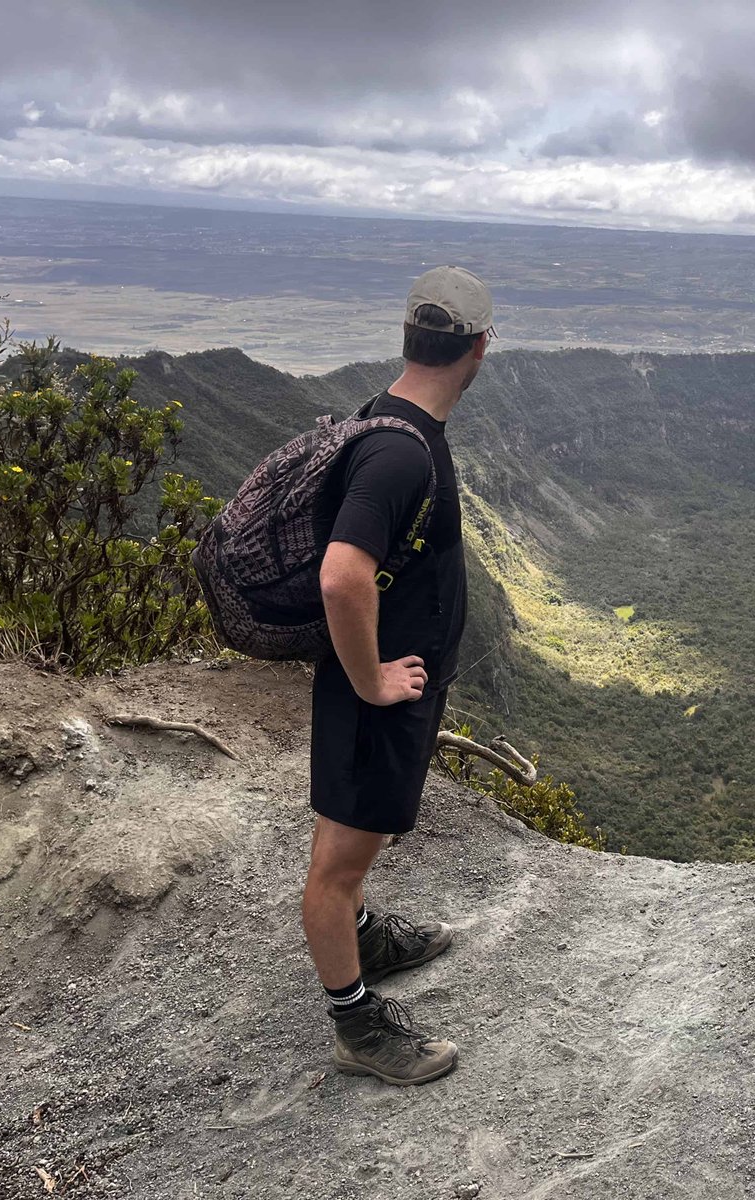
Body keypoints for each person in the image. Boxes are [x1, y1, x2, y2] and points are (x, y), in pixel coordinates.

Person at [302, 265, 492, 1085]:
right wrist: (372, 680)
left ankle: (367, 934)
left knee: (357, 848)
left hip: (389, 685)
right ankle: (355, 1026)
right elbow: (343, 576)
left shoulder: (392, 420)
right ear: (480, 348)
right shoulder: (396, 452)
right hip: (374, 693)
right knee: (337, 864)